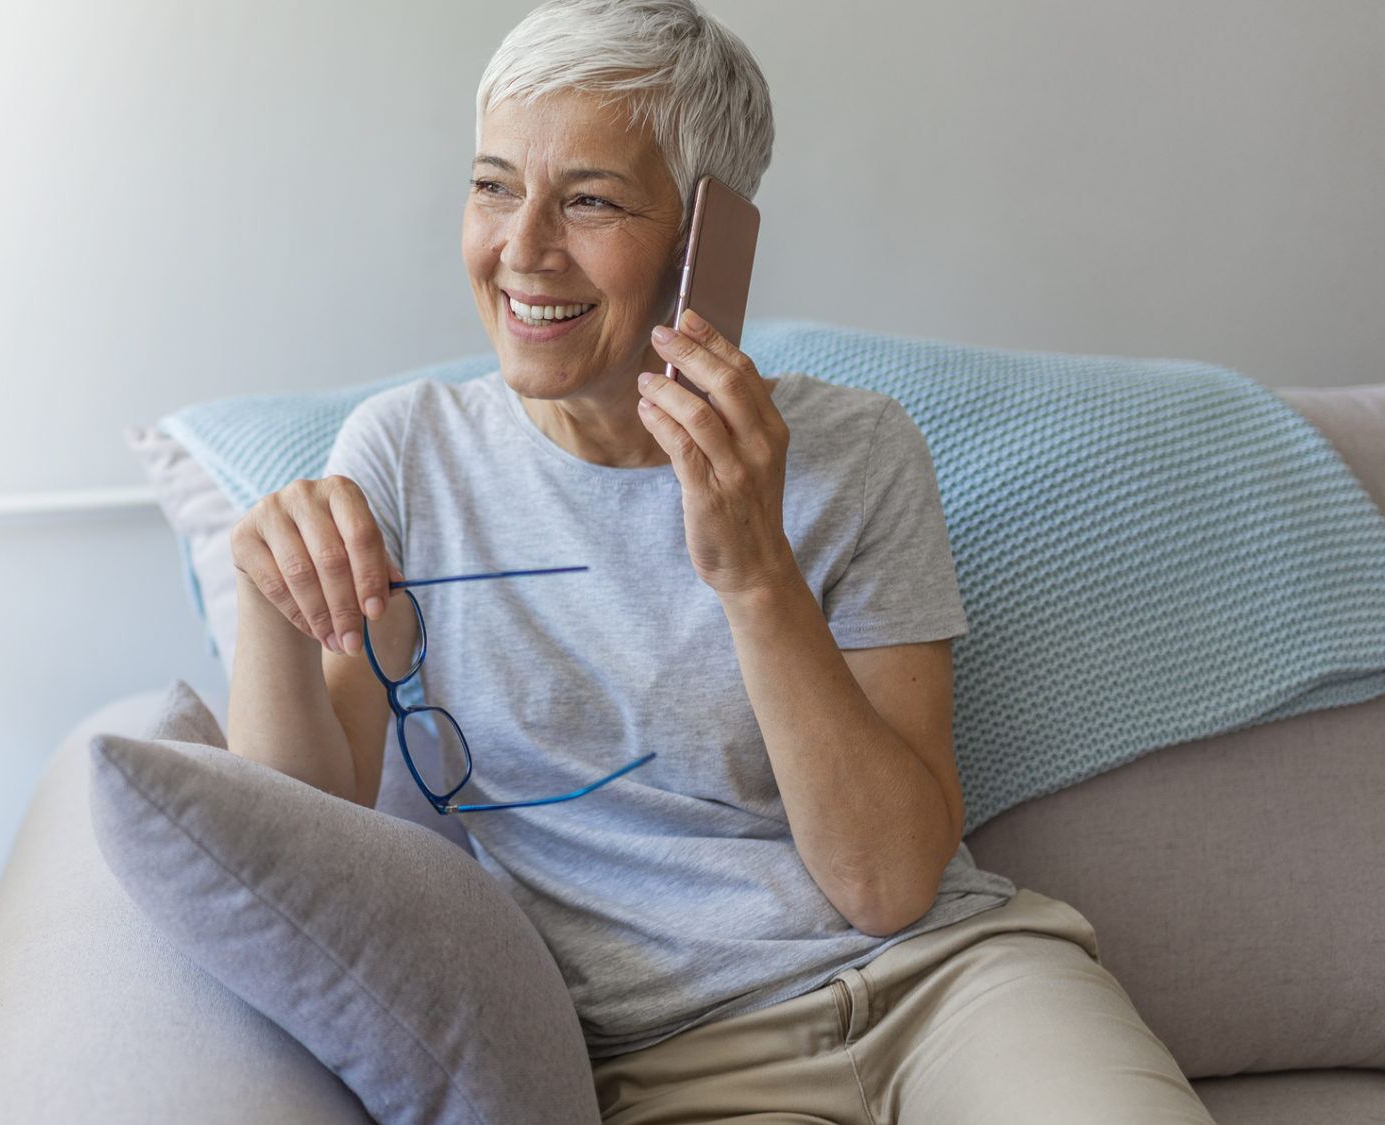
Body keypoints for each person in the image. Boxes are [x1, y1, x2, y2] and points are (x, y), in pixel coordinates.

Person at [225, 1, 1216, 1121]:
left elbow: (886, 884)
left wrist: (753, 573)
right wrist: (262, 602)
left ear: (707, 243)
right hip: (666, 1057)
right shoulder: (406, 456)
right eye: (493, 184)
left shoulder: (857, 454)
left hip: (950, 987)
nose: (521, 248)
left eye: (589, 199)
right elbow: (294, 860)